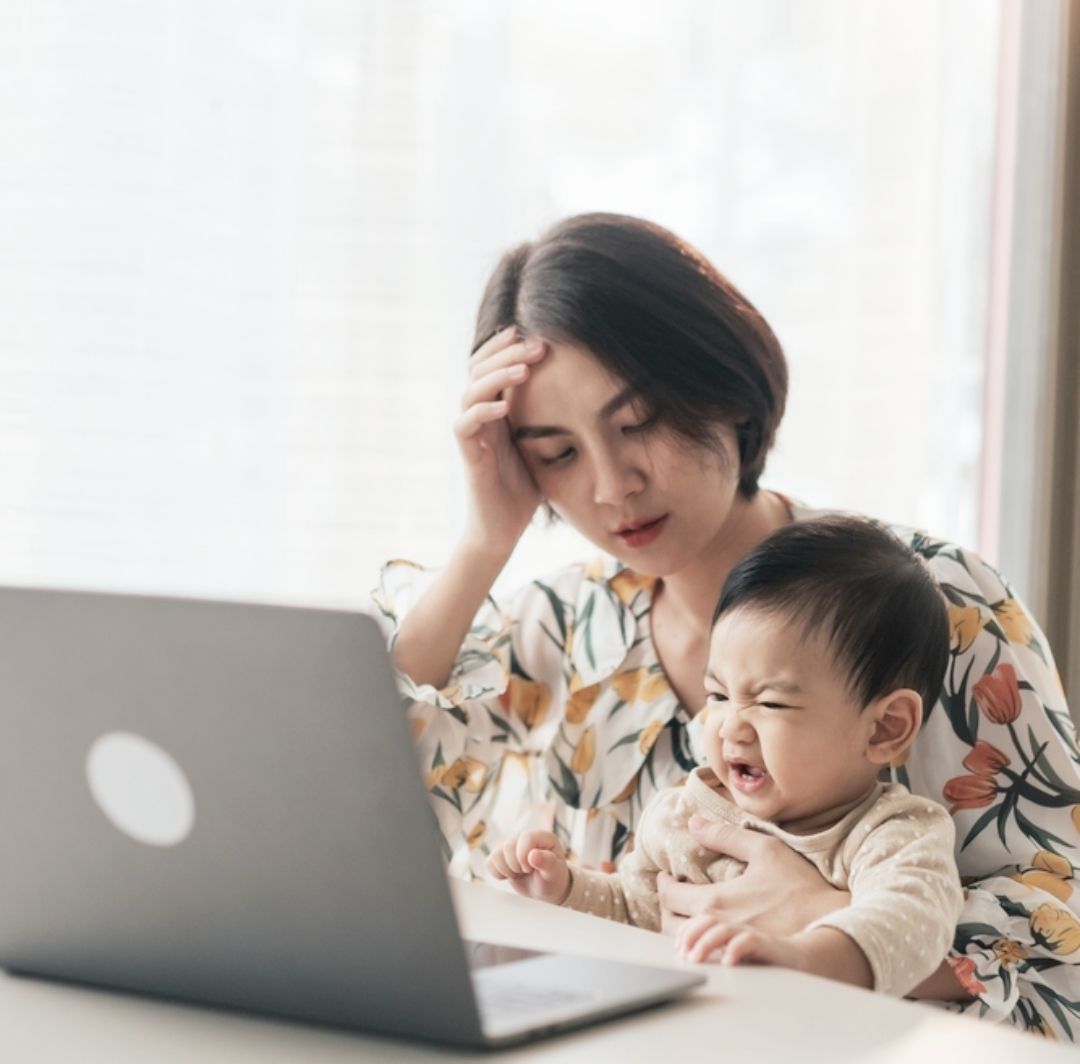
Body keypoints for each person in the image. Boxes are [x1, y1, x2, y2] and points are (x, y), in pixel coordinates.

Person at [373, 212, 1080, 1035]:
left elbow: (1061, 930)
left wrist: (826, 924)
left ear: (721, 384)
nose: (612, 485)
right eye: (556, 453)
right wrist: (484, 542)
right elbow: (366, 823)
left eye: (637, 421)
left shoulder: (933, 599)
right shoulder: (559, 626)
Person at [485, 516, 963, 997]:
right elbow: (634, 909)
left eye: (770, 703)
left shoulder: (892, 833)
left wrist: (802, 955)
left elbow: (911, 924)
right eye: (717, 695)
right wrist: (566, 888)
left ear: (885, 728)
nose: (730, 726)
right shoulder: (684, 815)